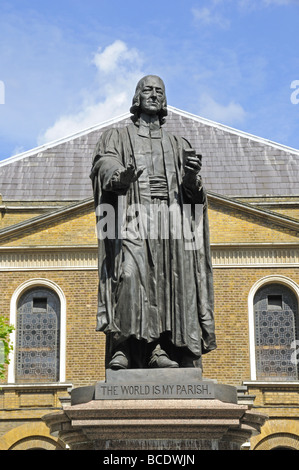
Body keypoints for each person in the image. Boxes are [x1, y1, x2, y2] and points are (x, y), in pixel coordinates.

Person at [90, 75, 216, 370]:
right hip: (133, 219)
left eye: (159, 90)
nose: (154, 94)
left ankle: (157, 348)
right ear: (137, 96)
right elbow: (104, 163)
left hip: (170, 222)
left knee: (167, 284)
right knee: (130, 276)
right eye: (147, 89)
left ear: (165, 100)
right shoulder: (118, 137)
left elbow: (194, 196)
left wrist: (190, 179)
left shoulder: (177, 143)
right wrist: (119, 176)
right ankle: (123, 346)